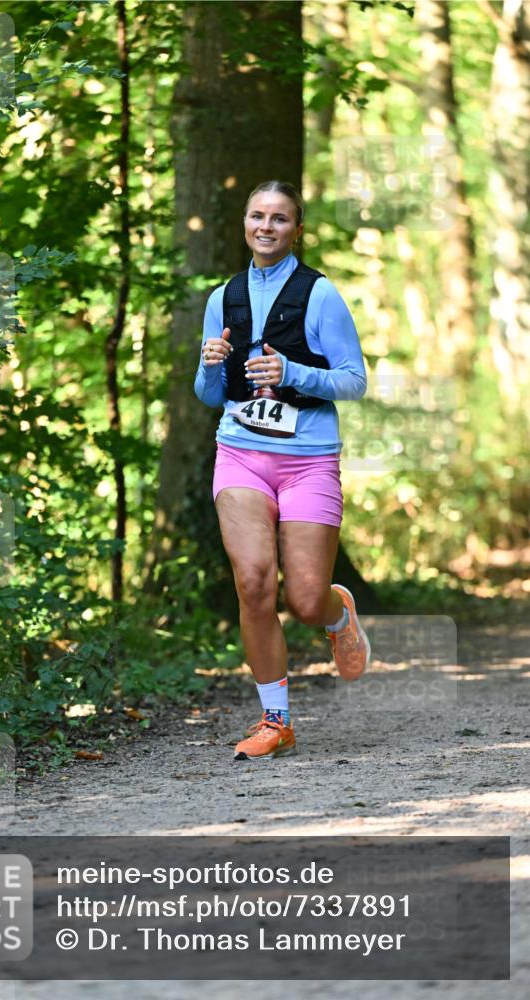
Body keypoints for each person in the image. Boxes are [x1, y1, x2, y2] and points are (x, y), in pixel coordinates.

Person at [194, 179, 371, 761]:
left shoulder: (320, 295)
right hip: (241, 451)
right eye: (256, 216)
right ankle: (276, 721)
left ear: (297, 228)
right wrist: (211, 366)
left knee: (303, 599)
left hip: (308, 461)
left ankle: (336, 611)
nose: (265, 227)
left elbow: (353, 380)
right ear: (244, 224)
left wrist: (293, 372)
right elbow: (209, 395)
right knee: (252, 582)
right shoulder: (223, 296)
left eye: (279, 219)